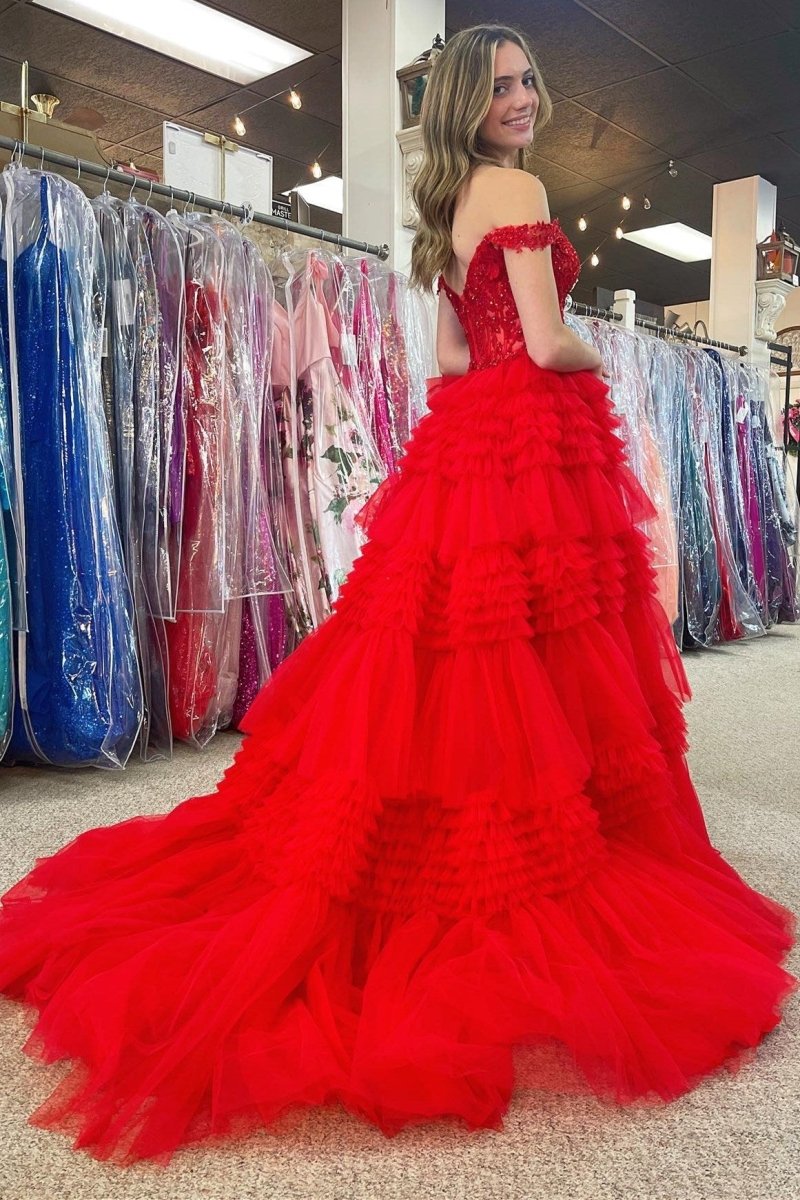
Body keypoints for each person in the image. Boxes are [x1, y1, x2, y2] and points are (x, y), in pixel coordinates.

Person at [0, 22, 795, 1168]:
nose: (524, 98)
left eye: (528, 80)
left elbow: (450, 362)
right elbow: (540, 341)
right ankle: (536, 840)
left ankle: (439, 828)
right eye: (503, 84)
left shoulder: (443, 206)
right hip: (532, 435)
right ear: (467, 98)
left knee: (449, 645)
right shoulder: (516, 188)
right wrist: (599, 368)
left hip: (463, 435)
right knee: (546, 645)